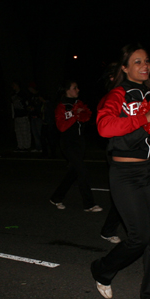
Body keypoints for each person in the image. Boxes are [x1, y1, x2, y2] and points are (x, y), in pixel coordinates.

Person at [90, 44, 150, 299]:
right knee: (139, 237)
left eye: (146, 61)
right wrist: (142, 118)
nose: (144, 66)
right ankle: (102, 269)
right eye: (137, 62)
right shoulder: (119, 93)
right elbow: (104, 127)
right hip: (125, 174)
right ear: (125, 68)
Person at [49, 81, 102, 212]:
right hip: (68, 143)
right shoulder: (61, 106)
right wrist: (74, 115)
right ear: (67, 90)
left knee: (74, 172)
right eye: (74, 88)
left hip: (79, 142)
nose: (78, 90)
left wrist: (83, 115)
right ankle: (89, 204)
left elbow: (86, 119)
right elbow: (61, 127)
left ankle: (56, 197)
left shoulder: (79, 103)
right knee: (82, 171)